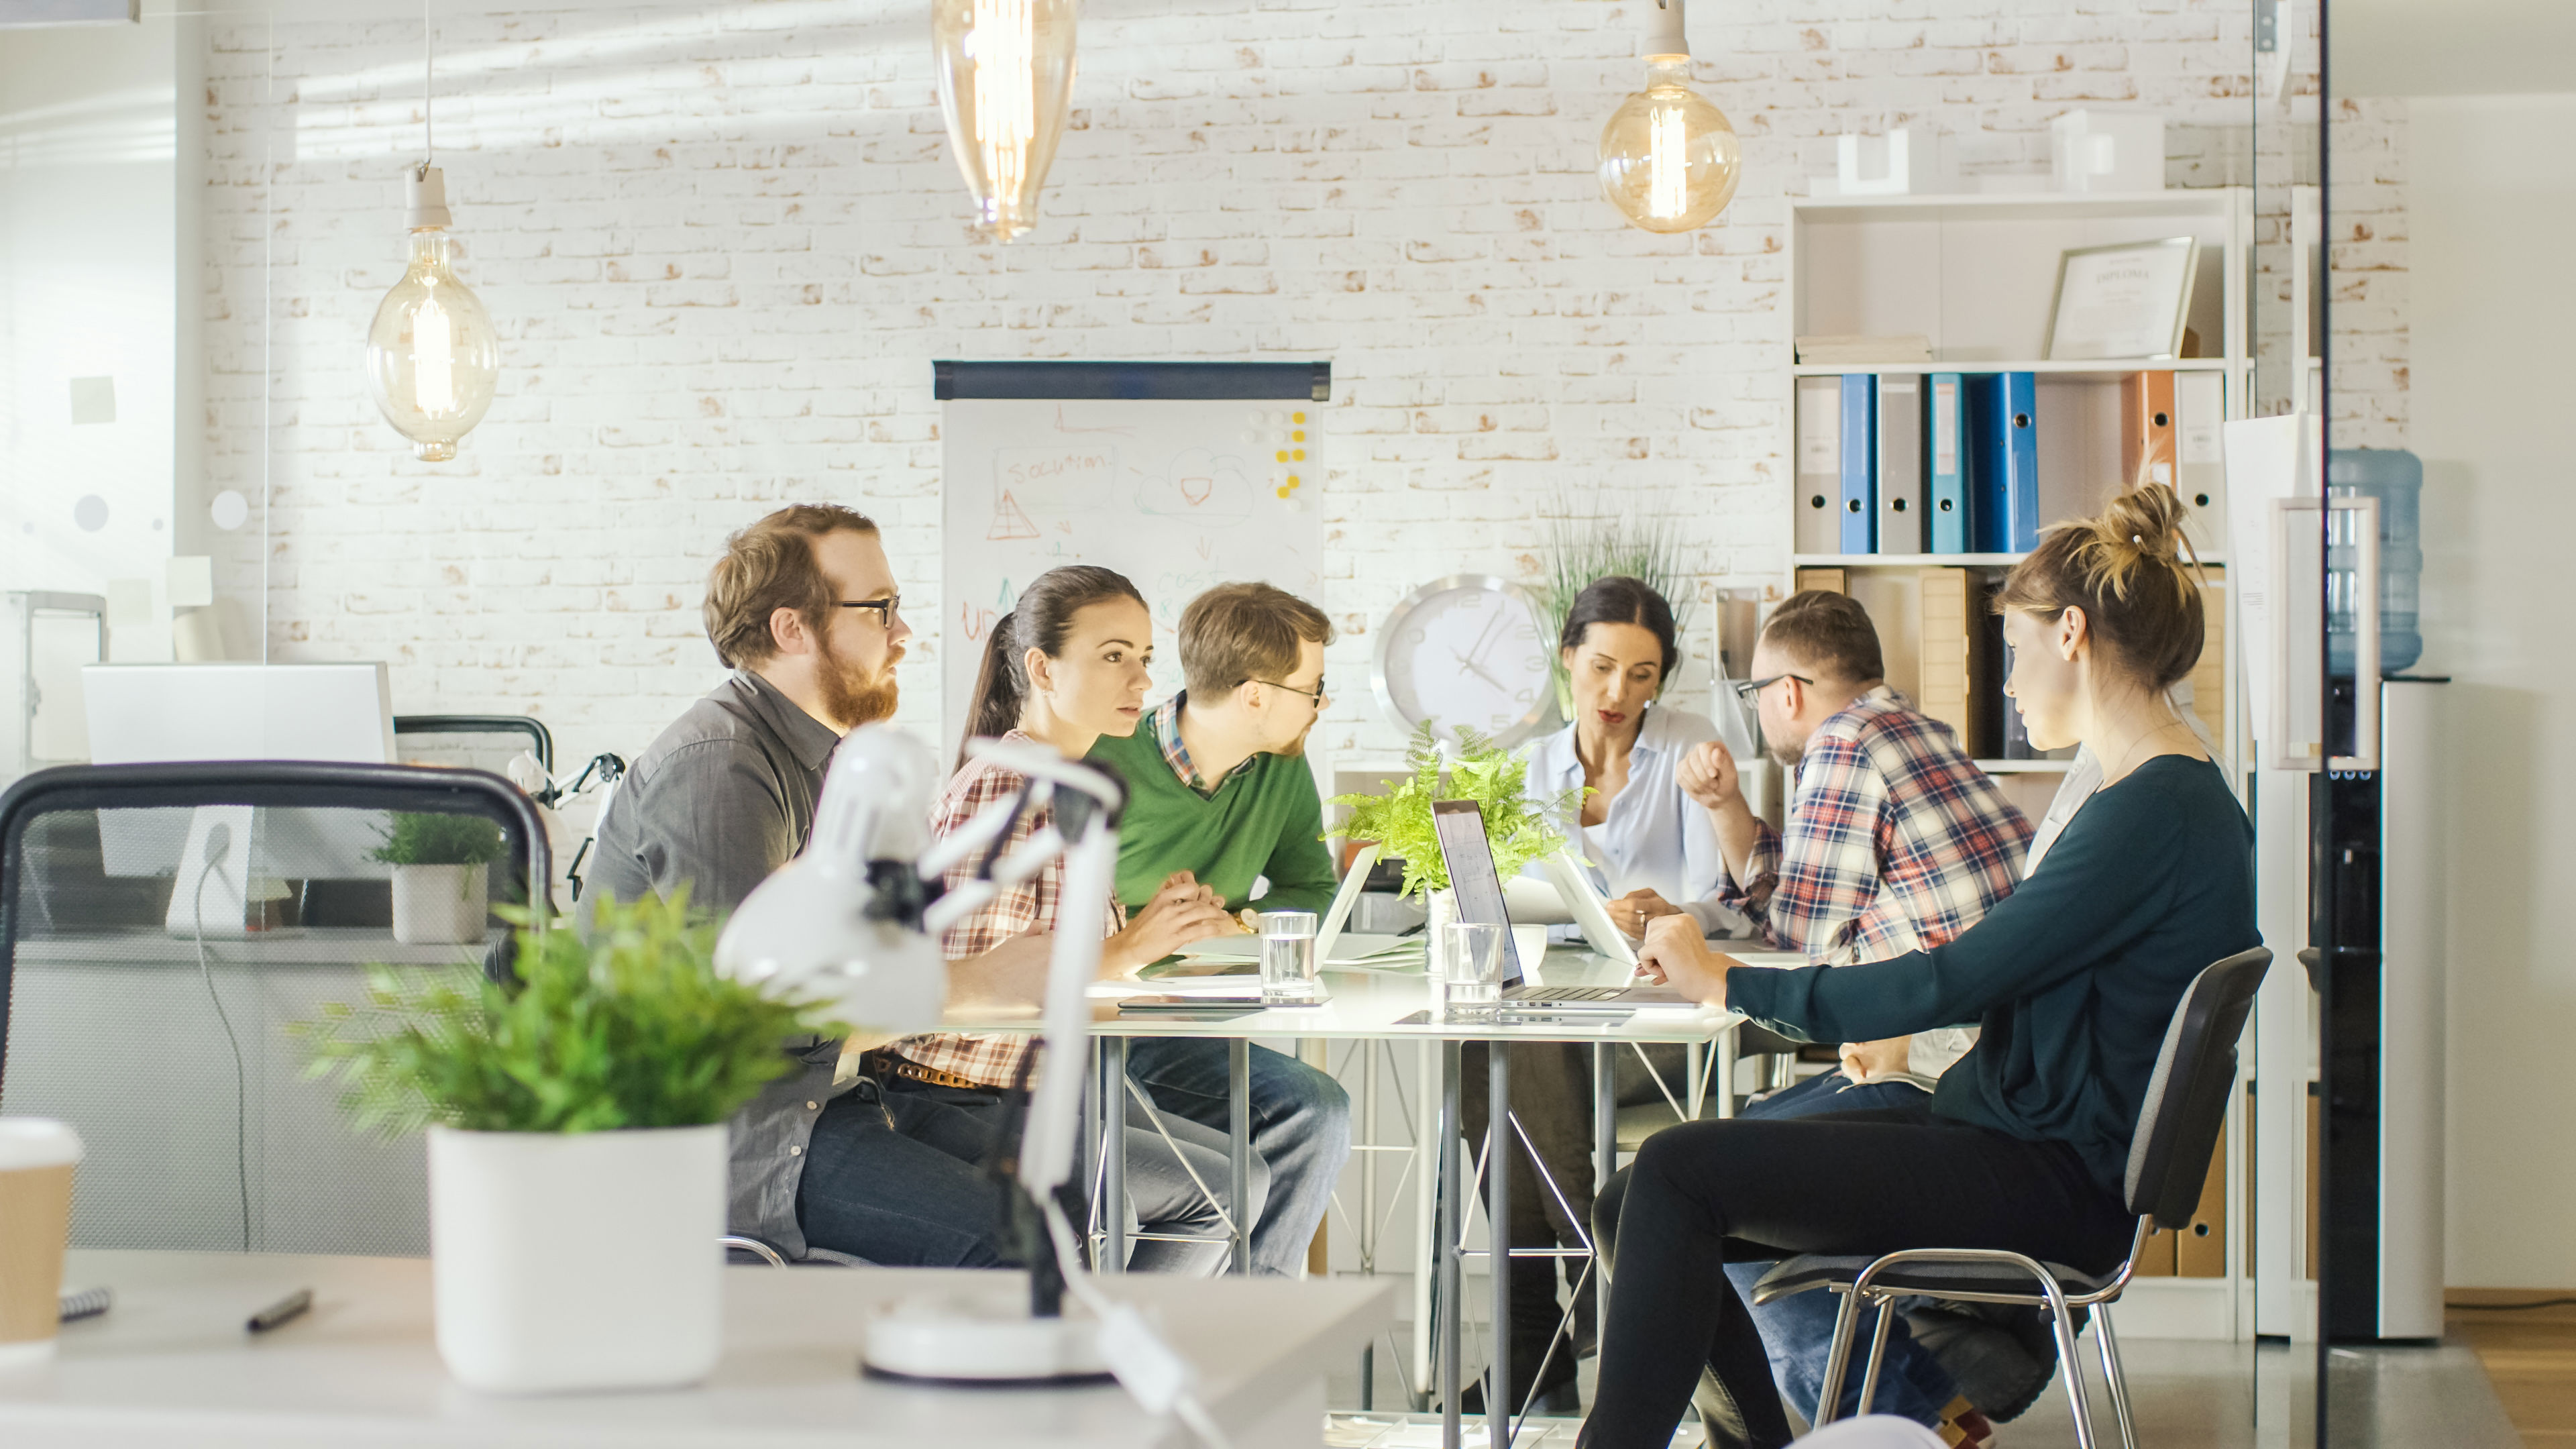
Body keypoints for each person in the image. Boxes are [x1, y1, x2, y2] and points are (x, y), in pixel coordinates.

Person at [1579, 484, 2259, 1449]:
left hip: (2047, 1175)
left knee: (1678, 1172)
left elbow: (1953, 978)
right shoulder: (2160, 795)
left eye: (2017, 653)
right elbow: (1985, 972)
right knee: (1637, 1193)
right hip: (2022, 1138)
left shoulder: (2151, 811)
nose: (2012, 684)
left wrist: (1728, 984)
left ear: (2072, 635)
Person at [1596, 588, 2038, 1437]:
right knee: (1715, 1167)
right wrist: (1728, 813)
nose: (1760, 712)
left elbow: (1801, 932)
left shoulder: (1845, 745)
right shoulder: (1918, 733)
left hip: (1942, 1080)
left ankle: (1908, 1412)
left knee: (1692, 1191)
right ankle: (1918, 1402)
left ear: (1788, 691)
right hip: (1991, 1067)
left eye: (1756, 693)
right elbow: (1816, 909)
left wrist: (1694, 953)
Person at [590, 504, 1046, 1267]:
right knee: (1016, 1245)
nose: (905, 634)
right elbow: (769, 1016)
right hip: (742, 1137)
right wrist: (975, 983)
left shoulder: (820, 758)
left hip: (827, 1102)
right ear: (791, 629)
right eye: (881, 610)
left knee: (1071, 1194)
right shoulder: (719, 768)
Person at [883, 566, 1262, 1273]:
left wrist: (1157, 934)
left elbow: (1058, 975)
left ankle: (1131, 1362)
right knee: (1219, 1191)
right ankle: (1120, 1371)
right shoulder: (1007, 783)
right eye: (1114, 656)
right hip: (954, 1097)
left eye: (1145, 659)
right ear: (1042, 668)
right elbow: (961, 999)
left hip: (1027, 1089)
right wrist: (1124, 950)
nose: (1143, 683)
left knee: (1239, 1176)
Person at [1469, 575, 1737, 1412]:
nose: (1619, 693)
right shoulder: (1524, 769)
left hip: (1655, 1022)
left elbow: (1723, 900)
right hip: (1560, 1019)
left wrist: (1664, 914)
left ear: (1663, 680)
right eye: (1602, 668)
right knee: (1490, 1046)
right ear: (1568, 661)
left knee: (1506, 1053)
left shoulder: (1691, 749)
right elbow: (1502, 904)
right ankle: (1580, 1305)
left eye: (1643, 674)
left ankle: (1536, 1348)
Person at [1085, 582, 1354, 1278]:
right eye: (1313, 688)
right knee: (1288, 1123)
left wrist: (1243, 926)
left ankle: (1242, 1336)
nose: (1321, 706)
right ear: (1256, 694)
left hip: (1203, 1026)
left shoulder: (1282, 771)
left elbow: (1312, 887)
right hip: (1105, 1030)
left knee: (1313, 1109)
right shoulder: (1101, 761)